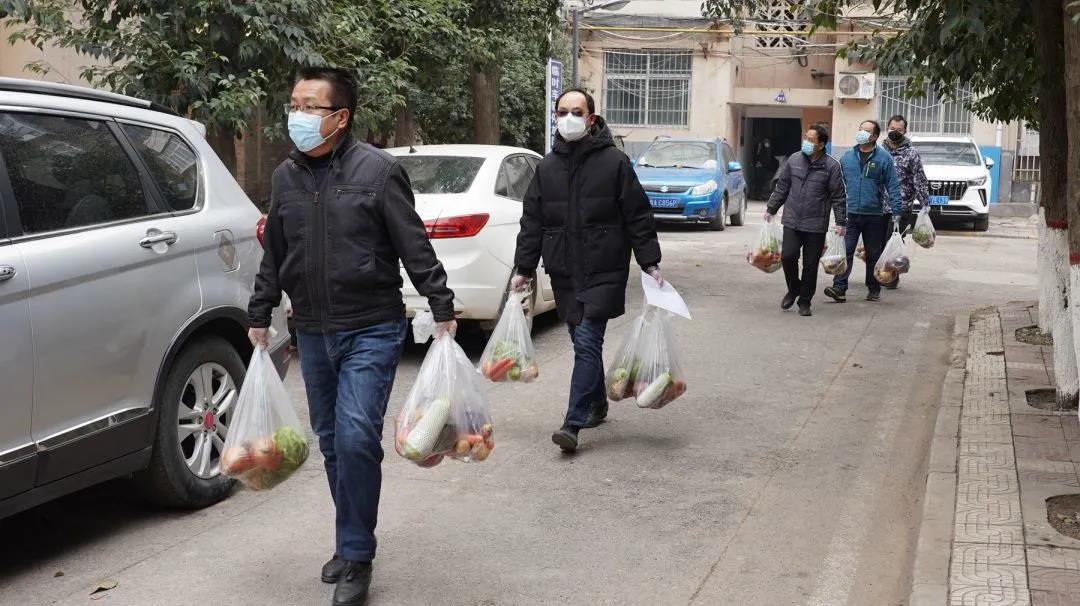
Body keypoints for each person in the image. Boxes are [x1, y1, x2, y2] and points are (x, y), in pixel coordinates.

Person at [247, 67, 457, 606]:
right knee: (332, 442)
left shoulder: (378, 171)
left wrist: (441, 304)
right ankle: (349, 539)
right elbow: (276, 252)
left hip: (371, 325)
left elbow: (412, 243)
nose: (297, 115)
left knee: (357, 436)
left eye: (309, 106)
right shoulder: (286, 177)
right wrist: (260, 310)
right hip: (313, 330)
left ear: (340, 117)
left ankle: (358, 555)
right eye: (294, 104)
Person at [512, 88, 662, 453]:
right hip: (564, 270)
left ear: (591, 118)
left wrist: (649, 262)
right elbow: (532, 222)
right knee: (581, 340)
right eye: (562, 112)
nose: (569, 118)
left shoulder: (615, 163)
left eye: (576, 112)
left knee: (587, 339)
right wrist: (524, 268)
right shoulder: (547, 167)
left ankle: (572, 423)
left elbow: (637, 215)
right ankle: (597, 403)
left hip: (604, 267)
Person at [765, 124, 847, 317]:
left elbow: (838, 196)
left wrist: (841, 222)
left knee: (810, 265)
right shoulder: (794, 160)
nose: (806, 142)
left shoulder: (831, 166)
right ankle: (794, 289)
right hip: (792, 220)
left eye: (811, 140)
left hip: (816, 224)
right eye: (806, 138)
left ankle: (805, 301)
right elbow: (782, 186)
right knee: (788, 256)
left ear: (821, 145)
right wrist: (771, 208)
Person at [823, 120, 903, 303]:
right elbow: (837, 185)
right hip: (850, 214)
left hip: (875, 214)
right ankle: (839, 288)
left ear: (874, 136)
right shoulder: (847, 157)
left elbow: (893, 185)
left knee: (873, 254)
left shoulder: (883, 158)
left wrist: (897, 210)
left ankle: (873, 288)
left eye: (866, 131)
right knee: (846, 251)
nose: (861, 133)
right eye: (860, 129)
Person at [880, 114, 929, 289]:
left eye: (899, 130)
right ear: (887, 128)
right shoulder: (879, 151)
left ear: (905, 131)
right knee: (879, 242)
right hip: (879, 206)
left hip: (901, 206)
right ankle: (880, 274)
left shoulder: (911, 153)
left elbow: (919, 179)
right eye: (892, 129)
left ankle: (891, 277)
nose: (895, 132)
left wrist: (924, 203)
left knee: (893, 241)